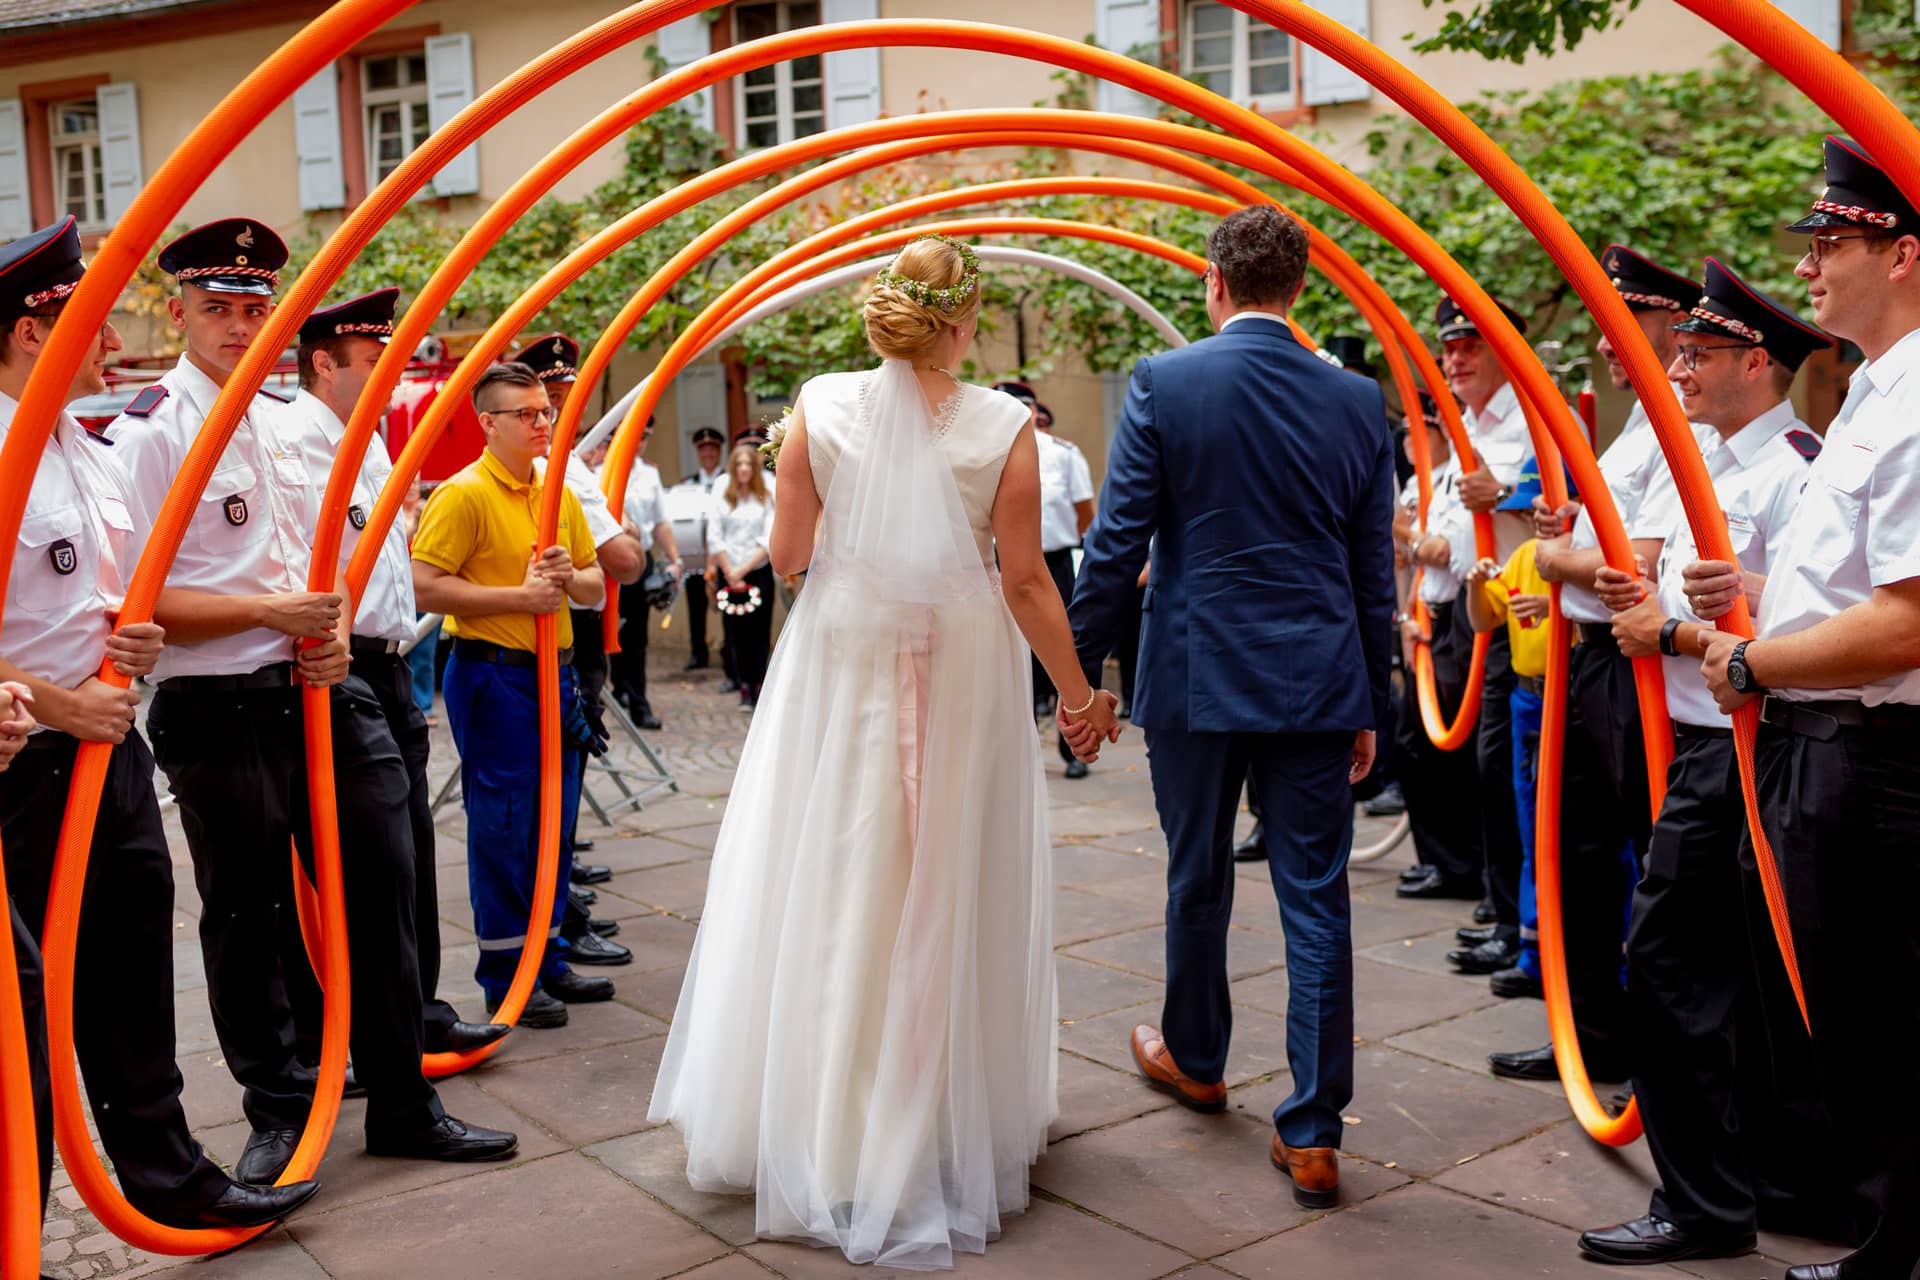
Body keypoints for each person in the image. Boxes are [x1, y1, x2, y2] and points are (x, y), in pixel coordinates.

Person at [650, 234, 1110, 1268]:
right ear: (967, 321)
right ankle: (934, 1112)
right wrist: (1079, 697)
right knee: (944, 871)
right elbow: (1027, 580)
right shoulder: (1006, 425)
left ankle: (824, 1118)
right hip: (961, 662)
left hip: (846, 651)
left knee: (837, 861)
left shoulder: (820, 404)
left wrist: (818, 500)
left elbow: (789, 556)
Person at [107, 217, 516, 1184]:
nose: (237, 327)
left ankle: (403, 1101)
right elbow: (133, 603)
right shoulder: (149, 433)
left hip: (326, 693)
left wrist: (329, 631)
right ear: (179, 314)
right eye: (217, 308)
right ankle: (281, 1112)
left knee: (384, 887)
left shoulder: (295, 423)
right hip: (219, 705)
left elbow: (323, 559)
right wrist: (266, 612)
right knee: (247, 915)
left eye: (253, 310)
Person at [1067, 205, 1396, 1211]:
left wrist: (1074, 678)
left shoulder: (1166, 381)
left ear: (1214, 282)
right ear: (1298, 288)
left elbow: (1117, 542)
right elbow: (1370, 566)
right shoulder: (1358, 400)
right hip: (1318, 678)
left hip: (1197, 673)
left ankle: (1198, 1057)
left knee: (1196, 872)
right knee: (1316, 896)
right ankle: (1314, 1129)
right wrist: (1371, 695)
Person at [0, 217, 319, 1230]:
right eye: (89, 321)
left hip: (106, 750)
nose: (111, 340)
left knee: (132, 972)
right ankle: (20, 1221)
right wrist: (61, 702)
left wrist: (125, 640)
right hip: (24, 759)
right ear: (29, 330)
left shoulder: (77, 445)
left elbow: (102, 594)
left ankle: (170, 1177)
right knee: (21, 1010)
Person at [1579, 255, 1852, 1265]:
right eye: (1680, 349)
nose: (1678, 367)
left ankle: (1704, 1203)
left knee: (1675, 967)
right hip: (1704, 740)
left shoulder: (1794, 468)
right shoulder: (1716, 460)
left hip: (1743, 747)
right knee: (1734, 978)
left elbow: (1819, 620)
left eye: (1699, 352)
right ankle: (1769, 1184)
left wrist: (1688, 620)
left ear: (1756, 363)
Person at [1684, 136, 1920, 1280]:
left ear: (1903, 254)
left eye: (1830, 241)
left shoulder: (1914, 399)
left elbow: (1909, 622)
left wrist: (1751, 661)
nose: (1807, 264)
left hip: (1874, 757)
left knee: (1883, 1028)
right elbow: (1855, 586)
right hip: (1832, 745)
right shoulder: (1873, 392)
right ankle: (1891, 1243)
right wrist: (1760, 596)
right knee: (1858, 1027)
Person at [1490, 247, 1703, 1079]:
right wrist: (1572, 532)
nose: (1608, 341)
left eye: (1627, 321)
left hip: (1631, 666)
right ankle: (1592, 1037)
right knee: (1578, 855)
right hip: (1591, 661)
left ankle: (1655, 1059)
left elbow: (1632, 564)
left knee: (1643, 859)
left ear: (1673, 325)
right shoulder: (1640, 425)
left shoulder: (1677, 426)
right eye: (1604, 325)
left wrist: (1556, 557)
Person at [283, 287, 511, 1055]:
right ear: (325, 364)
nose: (391, 377)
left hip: (390, 663)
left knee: (409, 849)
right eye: (374, 361)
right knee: (370, 862)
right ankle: (357, 1032)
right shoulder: (295, 441)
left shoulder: (368, 440)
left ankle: (419, 1015)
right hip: (337, 666)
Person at [412, 360, 614, 1029]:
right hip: (494, 673)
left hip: (554, 673)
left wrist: (567, 578)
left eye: (545, 412)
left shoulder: (555, 491)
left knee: (554, 820)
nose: (541, 423)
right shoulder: (464, 494)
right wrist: (518, 597)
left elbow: (593, 583)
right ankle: (506, 978)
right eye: (525, 414)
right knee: (504, 826)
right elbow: (422, 584)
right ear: (488, 423)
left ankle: (547, 959)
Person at [1400, 298, 1532, 952]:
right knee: (1479, 766)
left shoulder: (1533, 423)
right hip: (1466, 612)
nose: (1455, 360)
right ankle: (1503, 910)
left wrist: (1506, 496)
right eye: (1448, 349)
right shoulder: (1468, 428)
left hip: (1517, 619)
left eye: (1469, 346)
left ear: (1504, 350)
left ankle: (1514, 920)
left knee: (1502, 770)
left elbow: (1564, 504)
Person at [514, 332, 642, 933]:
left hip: (571, 625)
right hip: (560, 634)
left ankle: (560, 886)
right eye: (548, 401)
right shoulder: (557, 470)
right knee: (558, 772)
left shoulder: (564, 467)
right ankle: (558, 905)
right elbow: (625, 560)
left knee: (566, 769)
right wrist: (628, 535)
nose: (558, 414)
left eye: (564, 399)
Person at [1461, 464, 1563, 1001]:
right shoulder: (1524, 557)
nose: (1532, 519)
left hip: (1569, 698)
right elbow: (1484, 620)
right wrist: (1477, 585)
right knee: (1530, 825)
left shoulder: (1586, 558)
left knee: (1569, 833)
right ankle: (1532, 949)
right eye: (1526, 511)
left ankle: (1574, 957)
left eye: (1538, 508)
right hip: (1529, 698)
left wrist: (1555, 605)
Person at [1393, 396, 1488, 904]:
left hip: (1457, 618)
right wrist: (1408, 616)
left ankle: (1459, 864)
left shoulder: (1456, 474)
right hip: (1427, 619)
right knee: (1416, 744)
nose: (1409, 442)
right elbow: (1415, 561)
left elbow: (1441, 551)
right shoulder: (1420, 483)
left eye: (1419, 429)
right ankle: (1439, 859)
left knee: (1448, 749)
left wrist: (1398, 529)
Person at [604, 417, 682, 731]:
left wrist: (675, 559)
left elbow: (660, 522)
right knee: (610, 628)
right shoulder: (600, 470)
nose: (639, 443)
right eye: (634, 436)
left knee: (636, 634)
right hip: (607, 559)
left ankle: (639, 702)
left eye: (644, 437)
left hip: (641, 559)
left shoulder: (649, 474)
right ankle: (618, 686)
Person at [706, 444, 775, 710]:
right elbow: (714, 534)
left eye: (748, 464)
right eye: (739, 464)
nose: (744, 469)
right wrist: (729, 571)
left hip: (756, 570)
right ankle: (744, 684)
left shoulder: (767, 490)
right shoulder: (721, 488)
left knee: (759, 632)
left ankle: (760, 685)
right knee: (736, 632)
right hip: (729, 570)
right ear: (733, 467)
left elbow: (768, 537)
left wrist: (742, 571)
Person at [679, 424, 726, 674]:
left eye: (712, 449)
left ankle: (730, 652)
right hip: (696, 555)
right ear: (698, 453)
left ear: (719, 452)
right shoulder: (688, 484)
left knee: (727, 605)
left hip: (724, 553)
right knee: (695, 605)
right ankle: (698, 652)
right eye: (703, 449)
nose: (708, 454)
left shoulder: (730, 480)